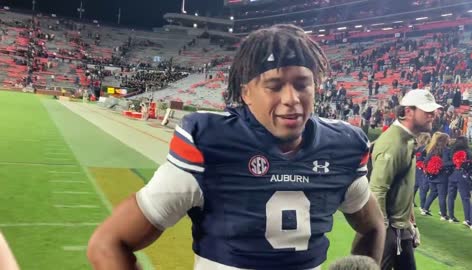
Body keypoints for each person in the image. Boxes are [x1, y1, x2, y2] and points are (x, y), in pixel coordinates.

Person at [87, 24, 386, 270]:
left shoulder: (340, 146)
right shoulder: (212, 145)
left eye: (302, 83)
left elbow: (373, 226)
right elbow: (109, 243)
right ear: (246, 92)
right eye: (275, 85)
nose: (292, 98)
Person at [370, 89, 442, 270]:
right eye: (426, 111)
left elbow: (403, 187)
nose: (432, 115)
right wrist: (384, 232)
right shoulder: (393, 143)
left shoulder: (406, 139)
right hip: (391, 230)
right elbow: (377, 189)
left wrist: (411, 222)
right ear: (408, 111)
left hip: (401, 228)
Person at [422, 132, 451, 220]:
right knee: (442, 196)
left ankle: (425, 209)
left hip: (432, 176)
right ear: (445, 140)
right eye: (448, 139)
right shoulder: (446, 150)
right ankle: (443, 215)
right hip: (441, 177)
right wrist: (453, 162)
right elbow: (445, 163)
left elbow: (426, 161)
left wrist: (429, 170)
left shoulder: (433, 149)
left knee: (433, 193)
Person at [447, 136, 472, 225]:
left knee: (451, 196)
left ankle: (451, 216)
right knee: (465, 198)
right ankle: (467, 219)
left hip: (452, 175)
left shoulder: (452, 150)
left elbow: (448, 162)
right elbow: (470, 164)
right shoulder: (468, 151)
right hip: (462, 175)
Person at [414, 132, 431, 209]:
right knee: (423, 189)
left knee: (415, 187)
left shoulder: (417, 148)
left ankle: (411, 202)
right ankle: (423, 206)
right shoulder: (426, 148)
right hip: (422, 169)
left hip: (417, 169)